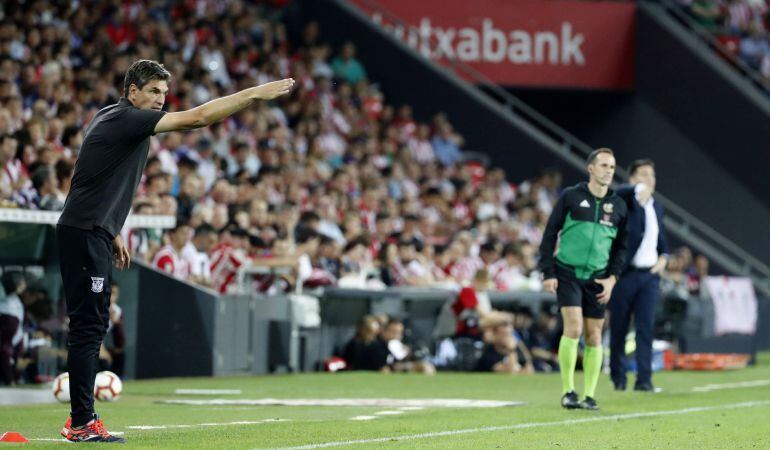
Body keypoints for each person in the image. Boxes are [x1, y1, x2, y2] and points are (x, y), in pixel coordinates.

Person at [55, 59, 294, 442]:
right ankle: (81, 421)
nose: (160, 100)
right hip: (84, 233)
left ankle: (82, 419)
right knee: (87, 328)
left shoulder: (112, 118)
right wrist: (252, 93)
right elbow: (197, 118)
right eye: (153, 91)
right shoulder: (128, 119)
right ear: (132, 90)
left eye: (164, 93)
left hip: (91, 229)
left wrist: (110, 228)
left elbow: (88, 175)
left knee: (93, 325)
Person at [538, 148, 629, 411]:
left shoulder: (619, 206)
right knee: (574, 328)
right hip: (568, 273)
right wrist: (548, 272)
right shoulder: (571, 196)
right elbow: (549, 234)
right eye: (603, 166)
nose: (608, 171)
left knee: (594, 335)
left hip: (598, 279)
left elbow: (621, 248)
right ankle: (568, 391)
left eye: (612, 167)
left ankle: (589, 395)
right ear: (590, 168)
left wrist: (612, 279)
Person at [609, 159, 668, 392]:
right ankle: (618, 377)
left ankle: (644, 380)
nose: (649, 180)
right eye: (643, 175)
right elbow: (614, 192)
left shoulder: (657, 206)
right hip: (626, 275)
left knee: (646, 328)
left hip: (649, 278)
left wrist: (664, 257)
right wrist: (635, 190)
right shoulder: (626, 201)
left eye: (651, 175)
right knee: (619, 328)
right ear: (632, 178)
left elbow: (660, 238)